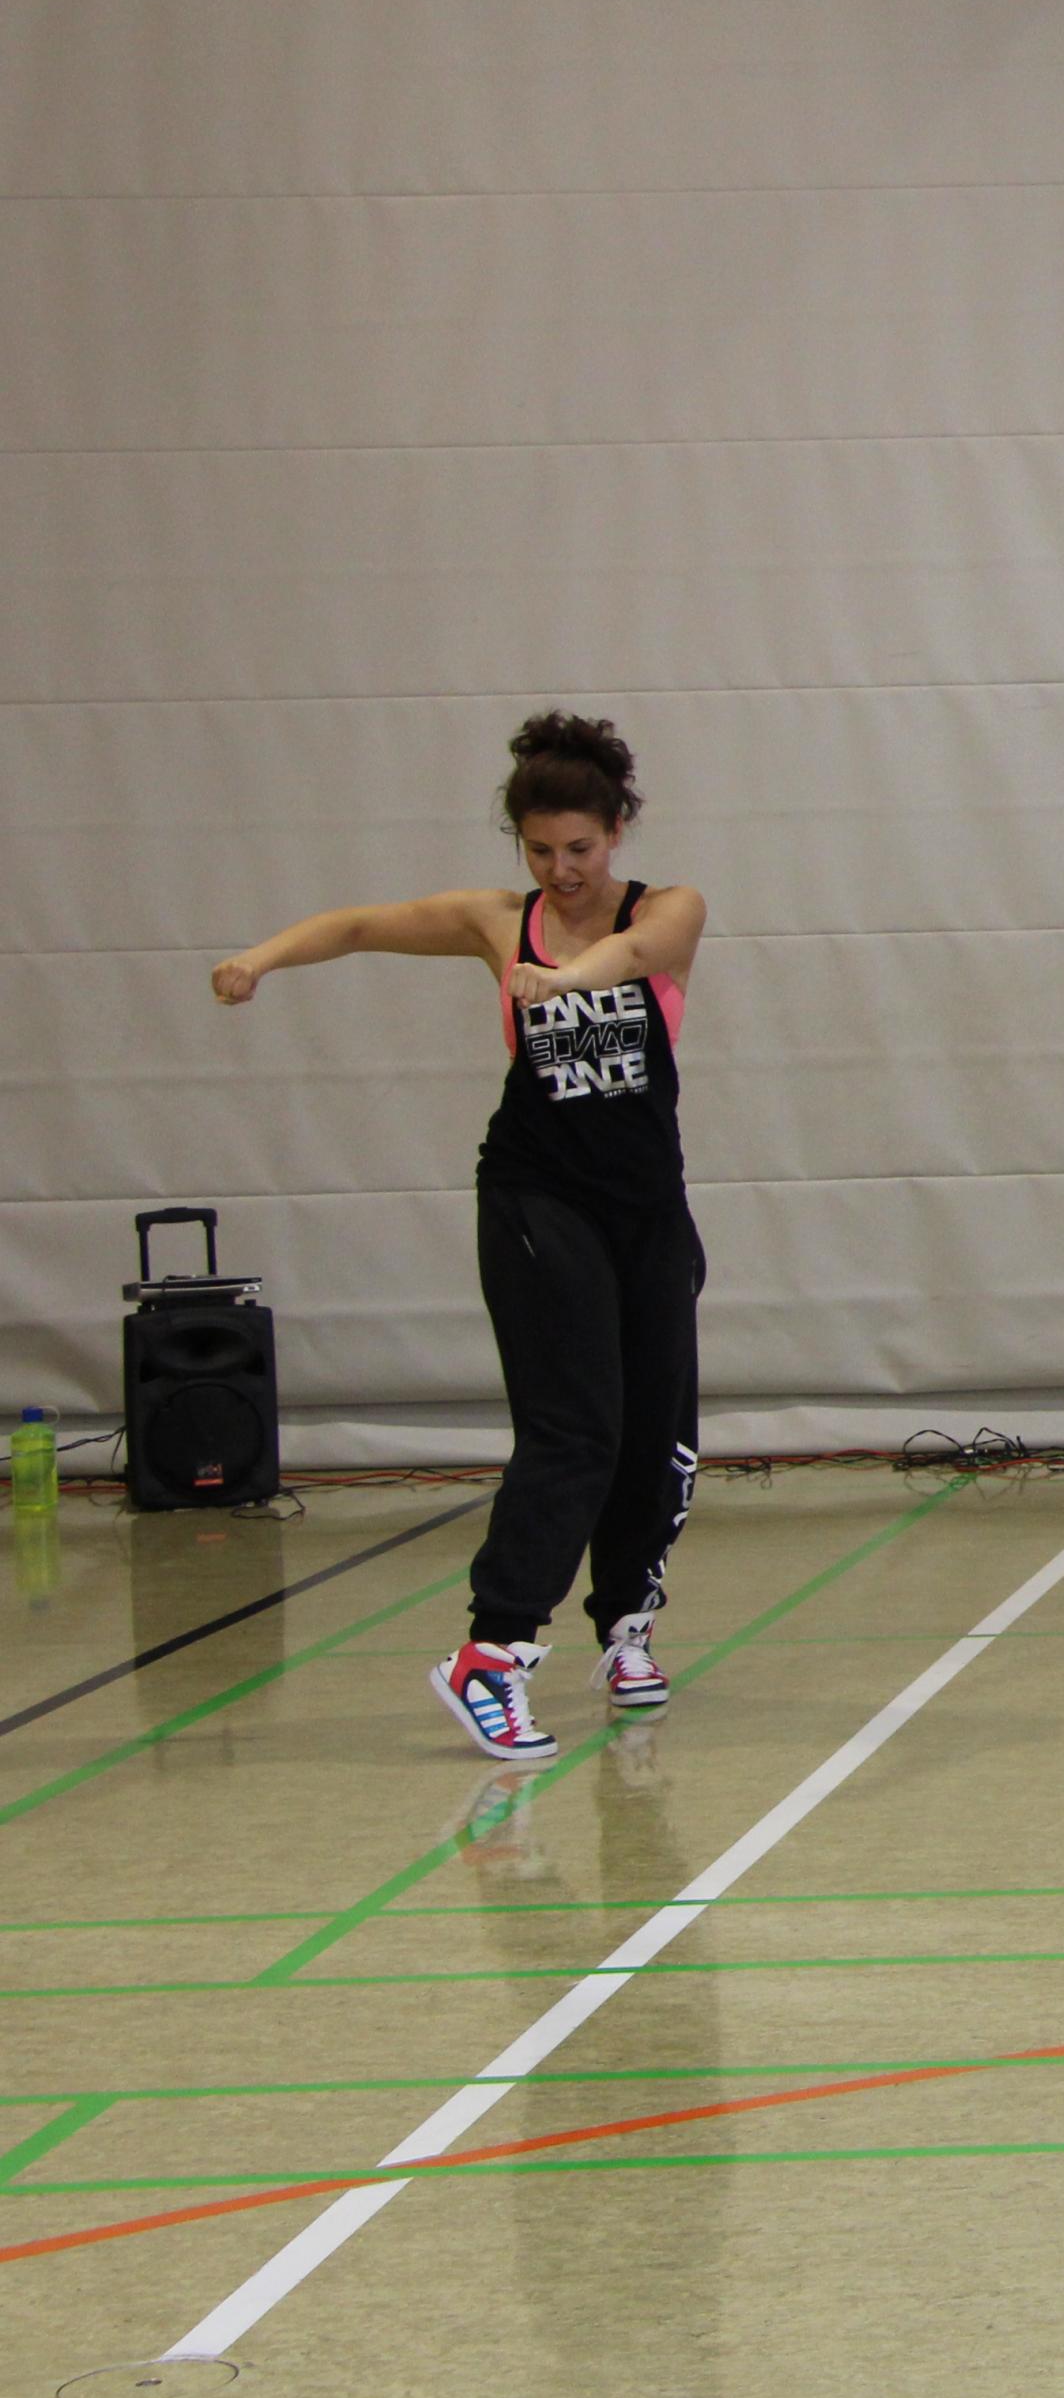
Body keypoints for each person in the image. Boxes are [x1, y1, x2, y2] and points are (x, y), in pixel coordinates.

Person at [213, 714, 710, 1762]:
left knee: (653, 1430)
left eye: (580, 848)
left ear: (616, 832)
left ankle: (625, 1626)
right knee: (575, 1426)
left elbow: (636, 954)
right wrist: (259, 959)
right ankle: (491, 1653)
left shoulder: (667, 909)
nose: (562, 870)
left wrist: (565, 981)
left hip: (646, 1209)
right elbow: (360, 925)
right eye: (541, 851)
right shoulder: (500, 922)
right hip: (538, 1201)